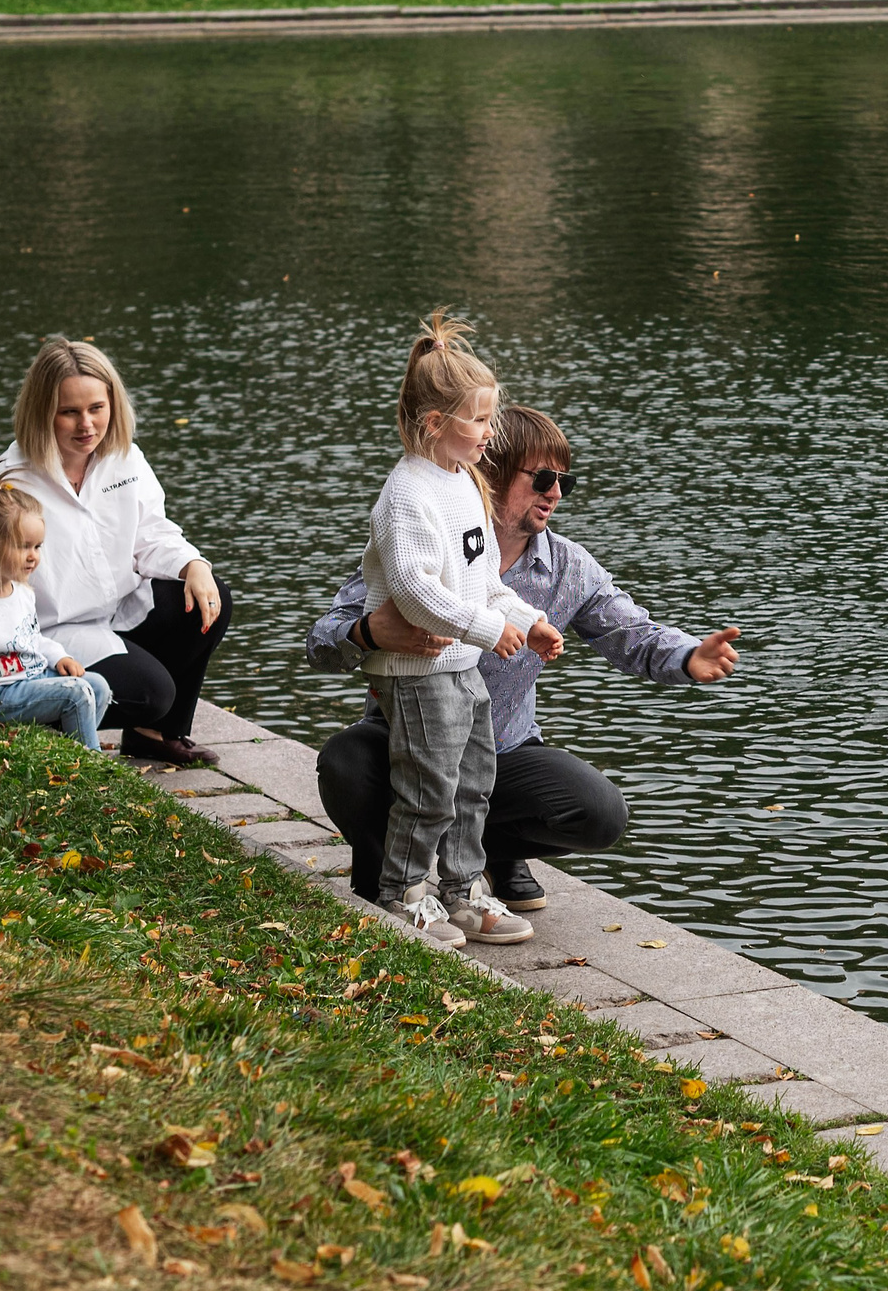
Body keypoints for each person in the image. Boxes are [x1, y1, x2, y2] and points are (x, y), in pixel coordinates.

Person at [306, 402, 739, 913]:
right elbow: (322, 643)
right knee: (345, 762)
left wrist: (689, 656)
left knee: (600, 812)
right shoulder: (417, 541)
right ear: (488, 471)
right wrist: (369, 633)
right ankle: (393, 875)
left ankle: (491, 853)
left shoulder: (567, 567)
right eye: (543, 478)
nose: (556, 493)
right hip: (407, 741)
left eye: (564, 482)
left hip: (504, 750)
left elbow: (632, 631)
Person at [356, 313, 564, 948]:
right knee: (428, 788)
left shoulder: (462, 485)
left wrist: (526, 621)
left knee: (475, 782)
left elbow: (479, 581)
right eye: (479, 419)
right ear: (434, 424)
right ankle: (403, 894)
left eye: (491, 417)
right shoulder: (407, 496)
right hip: (420, 672)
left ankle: (464, 888)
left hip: (460, 670)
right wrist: (484, 628)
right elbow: (420, 595)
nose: (490, 432)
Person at [0, 336, 232, 767]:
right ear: (43, 413)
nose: (87, 425)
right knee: (152, 694)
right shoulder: (14, 478)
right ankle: (29, 707)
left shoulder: (125, 458)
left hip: (118, 612)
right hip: (49, 639)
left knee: (210, 598)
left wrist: (194, 564)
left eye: (97, 408)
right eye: (69, 412)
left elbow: (152, 533)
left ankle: (155, 736)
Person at [0, 471, 113, 752]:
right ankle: (90, 763)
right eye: (23, 547)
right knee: (77, 693)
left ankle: (68, 749)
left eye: (37, 546)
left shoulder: (21, 592)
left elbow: (31, 639)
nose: (33, 556)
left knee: (98, 685)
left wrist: (59, 657)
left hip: (32, 678)